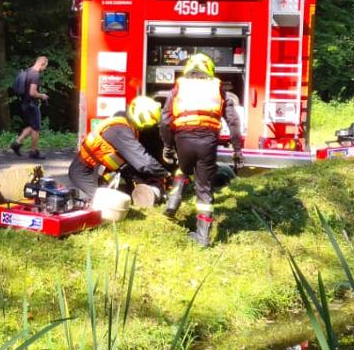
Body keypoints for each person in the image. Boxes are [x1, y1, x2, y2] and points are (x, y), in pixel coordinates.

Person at [160, 53, 243, 247]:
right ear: (210, 70)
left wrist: (167, 146)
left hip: (183, 138)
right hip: (208, 142)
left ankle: (173, 201)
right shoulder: (218, 88)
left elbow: (165, 120)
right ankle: (203, 237)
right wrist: (237, 150)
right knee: (204, 190)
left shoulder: (178, 87)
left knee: (183, 167)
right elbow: (233, 121)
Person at [68, 96, 167, 203]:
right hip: (84, 172)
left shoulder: (125, 123)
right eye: (145, 125)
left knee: (125, 197)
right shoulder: (120, 131)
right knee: (111, 204)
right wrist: (165, 174)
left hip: (103, 170)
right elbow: (144, 163)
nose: (144, 128)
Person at [9, 55, 49, 159]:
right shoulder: (35, 75)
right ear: (42, 63)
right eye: (45, 66)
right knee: (36, 128)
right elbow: (32, 92)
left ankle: (16, 144)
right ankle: (34, 152)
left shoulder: (28, 71)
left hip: (25, 104)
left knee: (32, 126)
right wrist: (42, 96)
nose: (45, 69)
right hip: (31, 105)